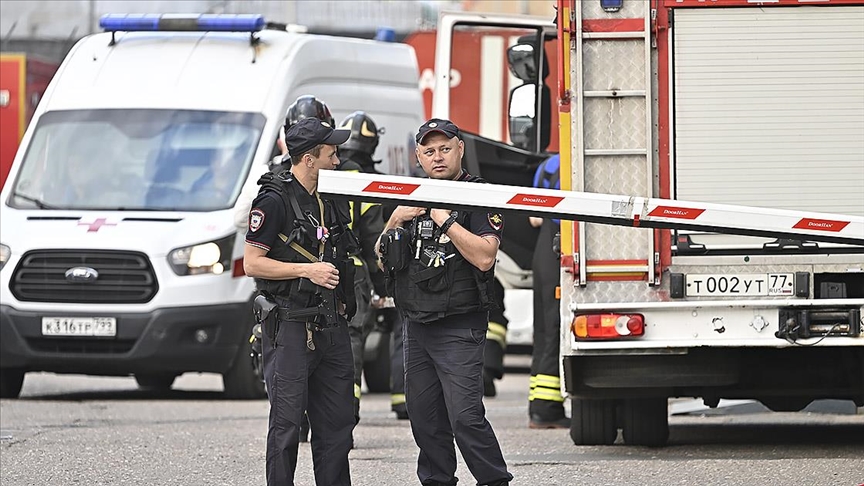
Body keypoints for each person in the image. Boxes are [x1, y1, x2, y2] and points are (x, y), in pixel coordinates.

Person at [377, 119, 512, 486]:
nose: (438, 157)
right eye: (430, 151)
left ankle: (494, 480)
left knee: (465, 417)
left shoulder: (478, 193)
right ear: (418, 155)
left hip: (458, 325)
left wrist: (445, 219)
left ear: (460, 149)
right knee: (423, 417)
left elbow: (486, 257)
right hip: (416, 325)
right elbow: (381, 257)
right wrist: (394, 220)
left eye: (445, 149)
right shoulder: (410, 192)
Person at [243, 117, 355, 486]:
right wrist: (306, 271)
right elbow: (252, 263)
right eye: (331, 154)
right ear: (309, 159)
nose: (337, 161)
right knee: (287, 427)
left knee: (338, 427)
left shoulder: (330, 197)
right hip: (291, 326)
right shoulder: (273, 199)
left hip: (332, 326)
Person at [336, 111, 390, 426]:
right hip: (352, 274)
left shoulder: (293, 171)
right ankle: (344, 418)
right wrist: (383, 287)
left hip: (300, 273)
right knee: (350, 343)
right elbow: (373, 239)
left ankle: (299, 418)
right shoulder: (361, 180)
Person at [527, 153, 569, 429]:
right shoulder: (574, 163)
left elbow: (534, 218)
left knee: (543, 330)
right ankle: (546, 408)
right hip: (558, 250)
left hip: (542, 254)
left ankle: (538, 404)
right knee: (555, 328)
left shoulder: (547, 166)